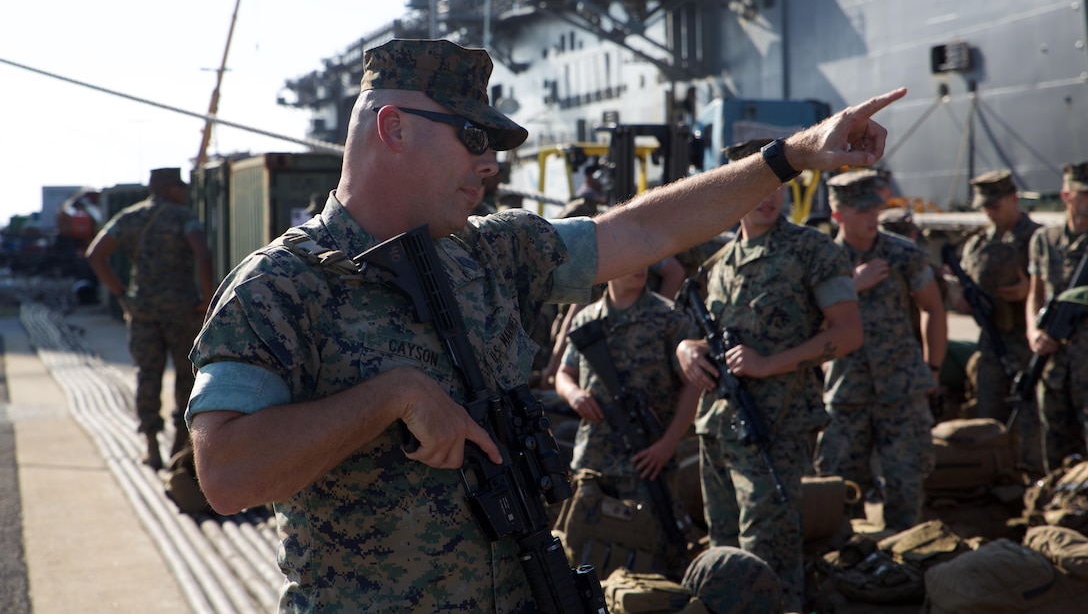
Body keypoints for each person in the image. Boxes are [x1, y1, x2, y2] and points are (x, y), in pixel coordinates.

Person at [186, 37, 903, 612]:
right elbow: (223, 472)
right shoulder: (281, 286)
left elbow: (642, 228)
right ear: (392, 127)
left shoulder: (492, 250)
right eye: (472, 137)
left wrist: (791, 156)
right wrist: (391, 395)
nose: (490, 164)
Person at [675, 138, 862, 611]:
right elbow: (703, 335)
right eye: (755, 182)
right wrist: (687, 350)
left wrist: (767, 364)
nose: (768, 194)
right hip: (716, 430)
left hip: (773, 430)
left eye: (777, 182)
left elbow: (848, 333)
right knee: (724, 555)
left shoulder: (812, 251)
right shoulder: (719, 264)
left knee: (769, 553)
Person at [814, 169, 947, 532]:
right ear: (838, 214)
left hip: (901, 390)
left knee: (906, 487)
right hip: (846, 392)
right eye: (861, 212)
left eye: (875, 209)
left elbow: (933, 308)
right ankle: (843, 567)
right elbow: (804, 325)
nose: (872, 218)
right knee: (839, 488)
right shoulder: (818, 260)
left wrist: (932, 368)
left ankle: (906, 569)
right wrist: (850, 286)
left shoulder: (902, 254)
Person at [554, 265, 700, 572]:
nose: (640, 266)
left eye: (645, 258)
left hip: (647, 461)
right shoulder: (586, 320)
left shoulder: (669, 318)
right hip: (594, 459)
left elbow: (693, 385)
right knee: (582, 550)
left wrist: (668, 443)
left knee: (649, 556)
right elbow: (564, 373)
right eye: (630, 259)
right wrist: (574, 394)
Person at [85, 167, 214, 470]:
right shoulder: (184, 217)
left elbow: (95, 254)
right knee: (187, 377)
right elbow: (203, 255)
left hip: (142, 311)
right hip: (181, 311)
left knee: (148, 375)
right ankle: (181, 447)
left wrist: (120, 295)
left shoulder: (128, 218)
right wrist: (206, 299)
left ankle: (151, 446)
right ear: (168, 188)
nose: (183, 192)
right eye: (179, 187)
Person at [956, 169, 1043, 476]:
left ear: (1013, 199)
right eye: (985, 206)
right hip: (991, 342)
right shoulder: (977, 244)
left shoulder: (1038, 238)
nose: (990, 212)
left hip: (1028, 341)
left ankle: (1034, 478)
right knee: (989, 411)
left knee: (1032, 417)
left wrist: (1028, 292)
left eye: (996, 205)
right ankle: (993, 478)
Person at [1027, 160, 1088, 473]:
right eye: (1084, 194)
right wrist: (1032, 332)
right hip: (1054, 366)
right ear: (1066, 196)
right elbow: (1035, 294)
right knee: (1055, 455)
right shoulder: (1044, 241)